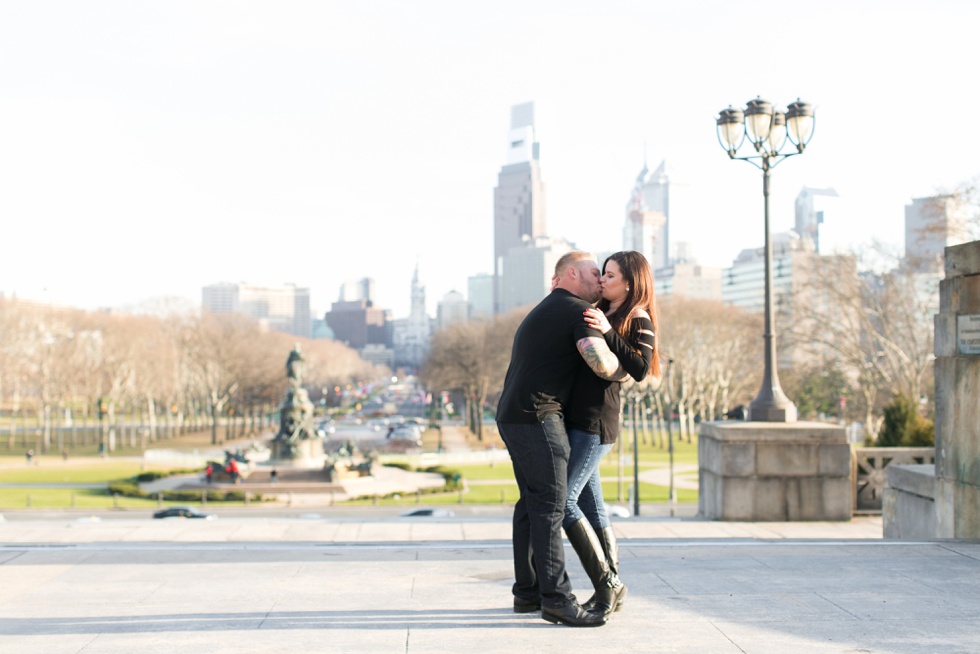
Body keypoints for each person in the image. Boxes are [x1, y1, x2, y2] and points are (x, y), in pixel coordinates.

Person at [496, 250, 628, 628]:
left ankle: (528, 592)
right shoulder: (577, 311)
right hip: (539, 417)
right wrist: (631, 366)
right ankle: (557, 599)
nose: (599, 279)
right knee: (553, 506)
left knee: (531, 504)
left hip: (512, 414)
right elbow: (602, 365)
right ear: (571, 274)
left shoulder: (543, 309)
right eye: (592, 272)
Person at [564, 250, 661, 616]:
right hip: (579, 419)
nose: (603, 280)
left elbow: (639, 367)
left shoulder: (637, 316)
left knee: (565, 503)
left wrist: (606, 330)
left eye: (610, 275)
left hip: (596, 421)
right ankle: (611, 585)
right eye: (602, 274)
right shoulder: (606, 311)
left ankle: (609, 583)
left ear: (630, 283)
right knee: (592, 506)